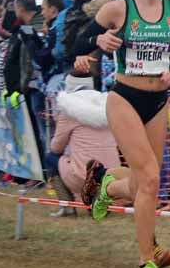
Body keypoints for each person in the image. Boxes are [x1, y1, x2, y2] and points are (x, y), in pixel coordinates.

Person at [73, 0, 170, 268]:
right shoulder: (118, 10)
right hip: (124, 98)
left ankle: (107, 187)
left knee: (142, 182)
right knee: (151, 177)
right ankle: (145, 261)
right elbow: (79, 43)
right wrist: (100, 43)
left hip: (157, 101)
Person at [48, 86, 120, 217]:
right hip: (113, 175)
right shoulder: (111, 109)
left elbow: (56, 147)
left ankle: (67, 207)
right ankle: (98, 201)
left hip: (84, 175)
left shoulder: (69, 113)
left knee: (50, 158)